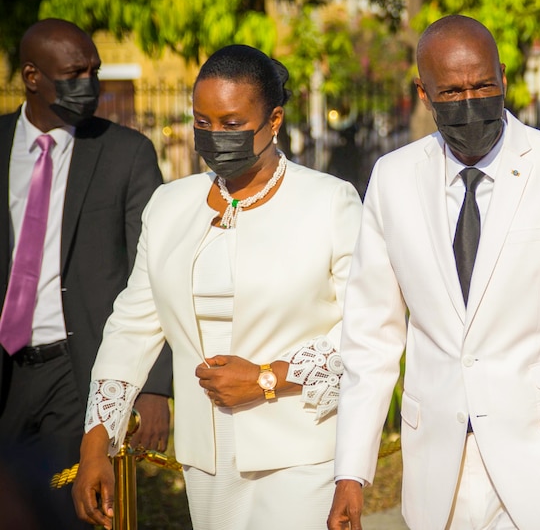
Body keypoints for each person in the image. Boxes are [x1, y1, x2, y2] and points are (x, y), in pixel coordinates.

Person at [329, 15, 540, 530]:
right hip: (437, 473)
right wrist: (350, 474)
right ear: (423, 93)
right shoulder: (393, 178)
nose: (470, 102)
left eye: (483, 85)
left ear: (504, 79)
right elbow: (370, 338)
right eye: (451, 91)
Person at [71, 44, 362, 529]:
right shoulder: (168, 206)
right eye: (201, 122)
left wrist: (268, 377)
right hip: (206, 461)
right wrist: (95, 443)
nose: (214, 136)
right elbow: (131, 329)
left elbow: (366, 331)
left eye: (231, 124)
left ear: (273, 121)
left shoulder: (330, 202)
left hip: (302, 450)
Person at [0, 18, 172, 530]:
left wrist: (154, 387)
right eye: (75, 73)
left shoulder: (126, 153)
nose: (90, 84)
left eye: (94, 70)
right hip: (8, 369)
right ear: (33, 76)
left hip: (76, 370)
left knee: (70, 510)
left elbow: (154, 273)